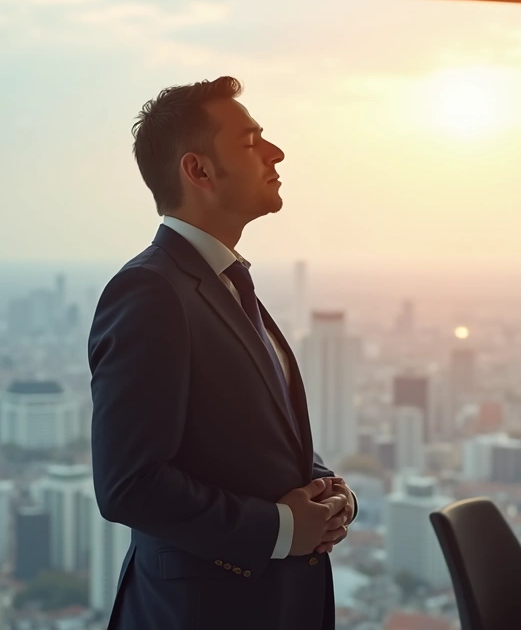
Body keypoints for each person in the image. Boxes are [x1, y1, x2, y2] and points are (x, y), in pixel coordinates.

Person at [89, 76, 357, 630]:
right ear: (199, 170)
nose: (276, 153)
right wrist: (279, 529)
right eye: (251, 141)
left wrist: (327, 490)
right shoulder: (151, 291)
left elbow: (250, 438)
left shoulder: (226, 284)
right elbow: (128, 485)